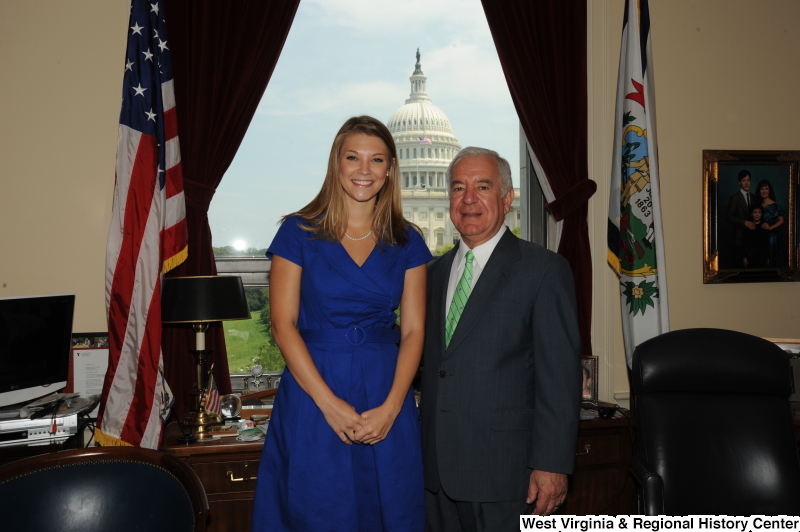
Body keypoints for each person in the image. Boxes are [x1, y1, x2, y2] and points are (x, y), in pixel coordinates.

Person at [251, 116, 431, 532]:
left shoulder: (408, 241)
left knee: (391, 507)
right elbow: (282, 325)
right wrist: (329, 406)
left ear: (390, 170)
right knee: (314, 508)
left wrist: (391, 408)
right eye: (353, 158)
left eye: (376, 160)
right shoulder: (298, 232)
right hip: (314, 393)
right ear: (337, 163)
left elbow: (414, 331)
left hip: (387, 395)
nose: (364, 170)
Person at [420, 147, 582, 530]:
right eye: (459, 188)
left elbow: (560, 378)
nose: (469, 199)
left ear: (507, 198)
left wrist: (553, 465)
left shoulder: (544, 271)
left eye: (483, 186)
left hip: (507, 476)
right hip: (435, 474)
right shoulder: (431, 274)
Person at [726, 169, 758, 267]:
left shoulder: (754, 197)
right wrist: (744, 222)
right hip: (740, 238)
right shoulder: (735, 197)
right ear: (739, 182)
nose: (746, 183)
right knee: (739, 267)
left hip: (752, 238)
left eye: (748, 180)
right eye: (743, 180)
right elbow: (729, 217)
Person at [756, 179, 785, 267]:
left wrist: (771, 227)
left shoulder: (775, 204)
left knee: (771, 262)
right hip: (759, 237)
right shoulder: (757, 203)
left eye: (766, 188)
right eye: (762, 189)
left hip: (771, 238)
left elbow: (781, 220)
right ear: (759, 190)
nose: (764, 191)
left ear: (770, 190)